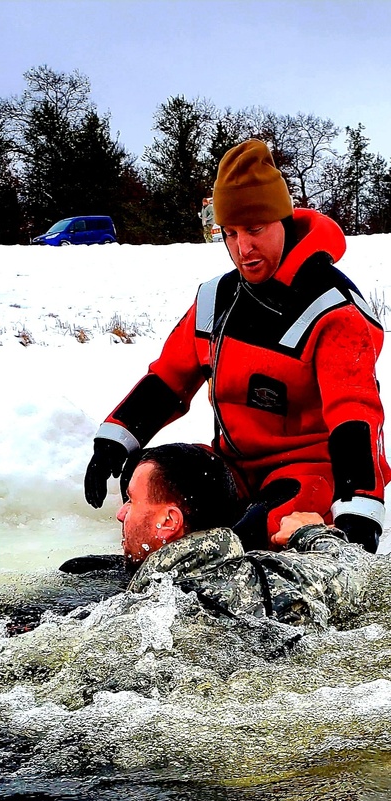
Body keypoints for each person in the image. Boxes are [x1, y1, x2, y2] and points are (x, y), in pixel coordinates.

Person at [84, 138, 387, 553]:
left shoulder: (334, 311)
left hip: (307, 471)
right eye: (231, 233)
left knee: (249, 539)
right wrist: (115, 441)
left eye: (256, 230)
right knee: (151, 481)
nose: (243, 249)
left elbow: (354, 415)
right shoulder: (215, 299)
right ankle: (138, 577)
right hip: (232, 464)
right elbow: (169, 379)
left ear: (283, 221)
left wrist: (360, 507)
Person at [116, 442, 368, 626]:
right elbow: (356, 568)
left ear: (169, 521)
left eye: (131, 500)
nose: (120, 513)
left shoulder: (142, 614)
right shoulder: (276, 577)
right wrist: (309, 533)